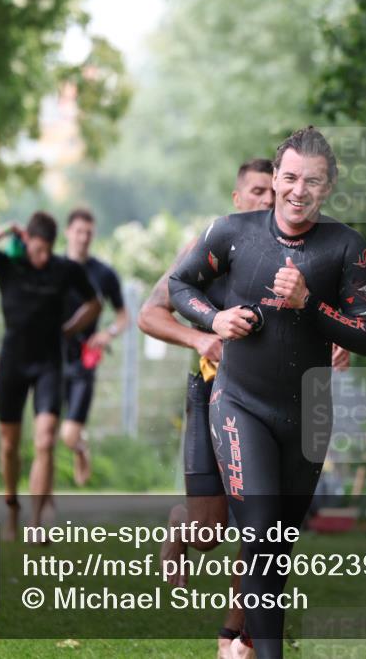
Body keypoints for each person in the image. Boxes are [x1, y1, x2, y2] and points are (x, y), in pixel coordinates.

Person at [168, 127, 366, 658]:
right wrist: (215, 320)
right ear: (276, 177)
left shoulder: (346, 248)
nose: (297, 191)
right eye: (289, 177)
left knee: (277, 548)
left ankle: (241, 643)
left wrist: (309, 303)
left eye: (312, 181)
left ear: (327, 187)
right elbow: (178, 286)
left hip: (306, 416)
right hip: (240, 403)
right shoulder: (231, 232)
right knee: (261, 536)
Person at [139, 158, 275, 658]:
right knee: (208, 532)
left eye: (273, 191)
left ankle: (234, 639)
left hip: (268, 405)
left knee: (261, 519)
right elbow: (150, 313)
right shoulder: (210, 246)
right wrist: (200, 338)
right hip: (212, 395)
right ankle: (181, 525)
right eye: (257, 191)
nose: (267, 200)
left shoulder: (295, 253)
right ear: (238, 199)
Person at [0, 212, 100, 540]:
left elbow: (94, 304)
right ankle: (12, 506)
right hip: (12, 363)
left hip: (48, 365)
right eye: (37, 250)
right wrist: (6, 229)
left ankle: (35, 523)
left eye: (47, 251)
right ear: (27, 241)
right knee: (9, 444)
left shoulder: (64, 270)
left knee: (45, 440)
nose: (42, 258)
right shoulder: (8, 265)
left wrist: (70, 329)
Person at [60, 208, 128, 486]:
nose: (83, 237)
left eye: (88, 233)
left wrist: (107, 334)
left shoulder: (104, 274)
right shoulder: (54, 268)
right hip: (51, 358)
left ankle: (80, 448)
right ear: (68, 233)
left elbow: (124, 317)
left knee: (69, 436)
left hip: (84, 359)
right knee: (48, 432)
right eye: (78, 231)